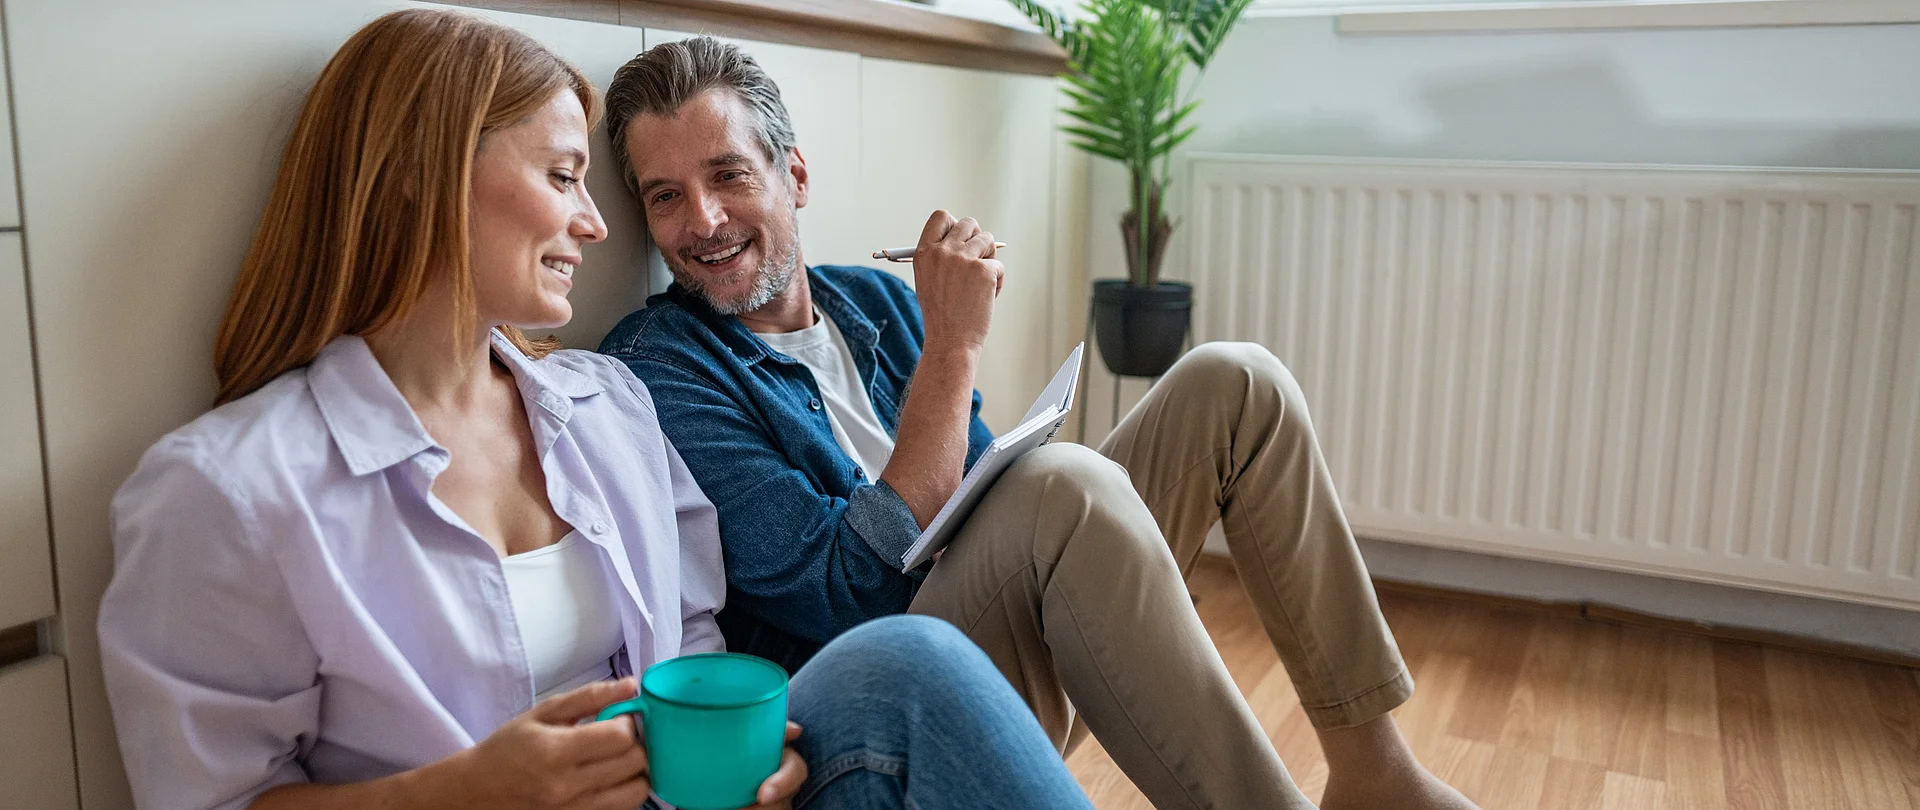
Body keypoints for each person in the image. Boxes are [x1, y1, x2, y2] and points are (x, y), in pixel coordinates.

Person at [96, 11, 1095, 810]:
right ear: (419, 176)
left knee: (908, 667)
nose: (598, 222)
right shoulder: (227, 491)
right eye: (565, 176)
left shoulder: (606, 405)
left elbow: (696, 647)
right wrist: (463, 796)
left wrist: (758, 762)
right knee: (912, 651)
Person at [596, 36, 1481, 810]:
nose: (701, 222)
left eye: (727, 175)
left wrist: (940, 345)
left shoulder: (868, 301)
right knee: (1063, 485)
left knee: (1236, 381)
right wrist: (954, 347)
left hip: (1002, 634)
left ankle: (1375, 774)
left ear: (794, 174)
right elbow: (847, 597)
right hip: (885, 697)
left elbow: (982, 491)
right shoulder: (661, 364)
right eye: (665, 196)